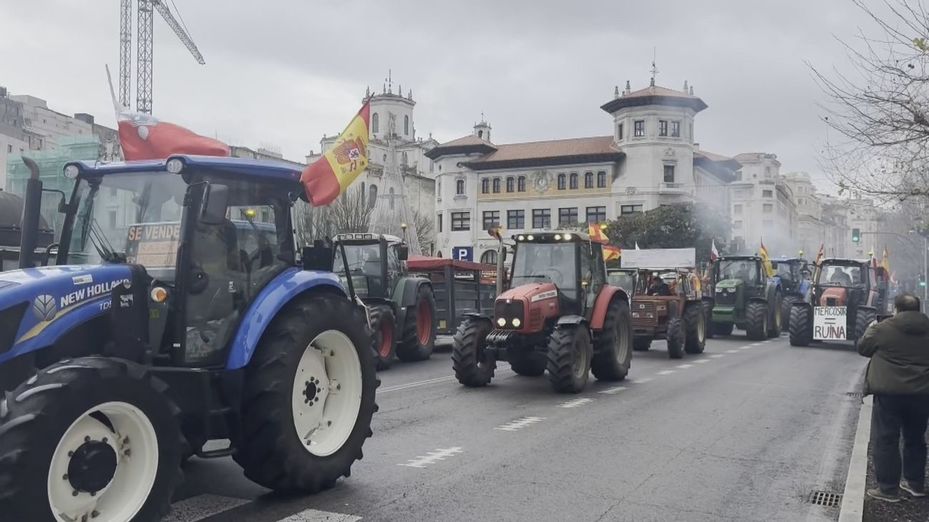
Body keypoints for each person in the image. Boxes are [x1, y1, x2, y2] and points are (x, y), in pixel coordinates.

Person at [858, 293, 929, 502]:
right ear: (918, 309)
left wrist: (870, 329)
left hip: (889, 394)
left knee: (887, 439)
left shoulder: (882, 329)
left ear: (896, 309)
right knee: (916, 439)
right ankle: (915, 484)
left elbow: (863, 348)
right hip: (922, 394)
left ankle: (888, 489)